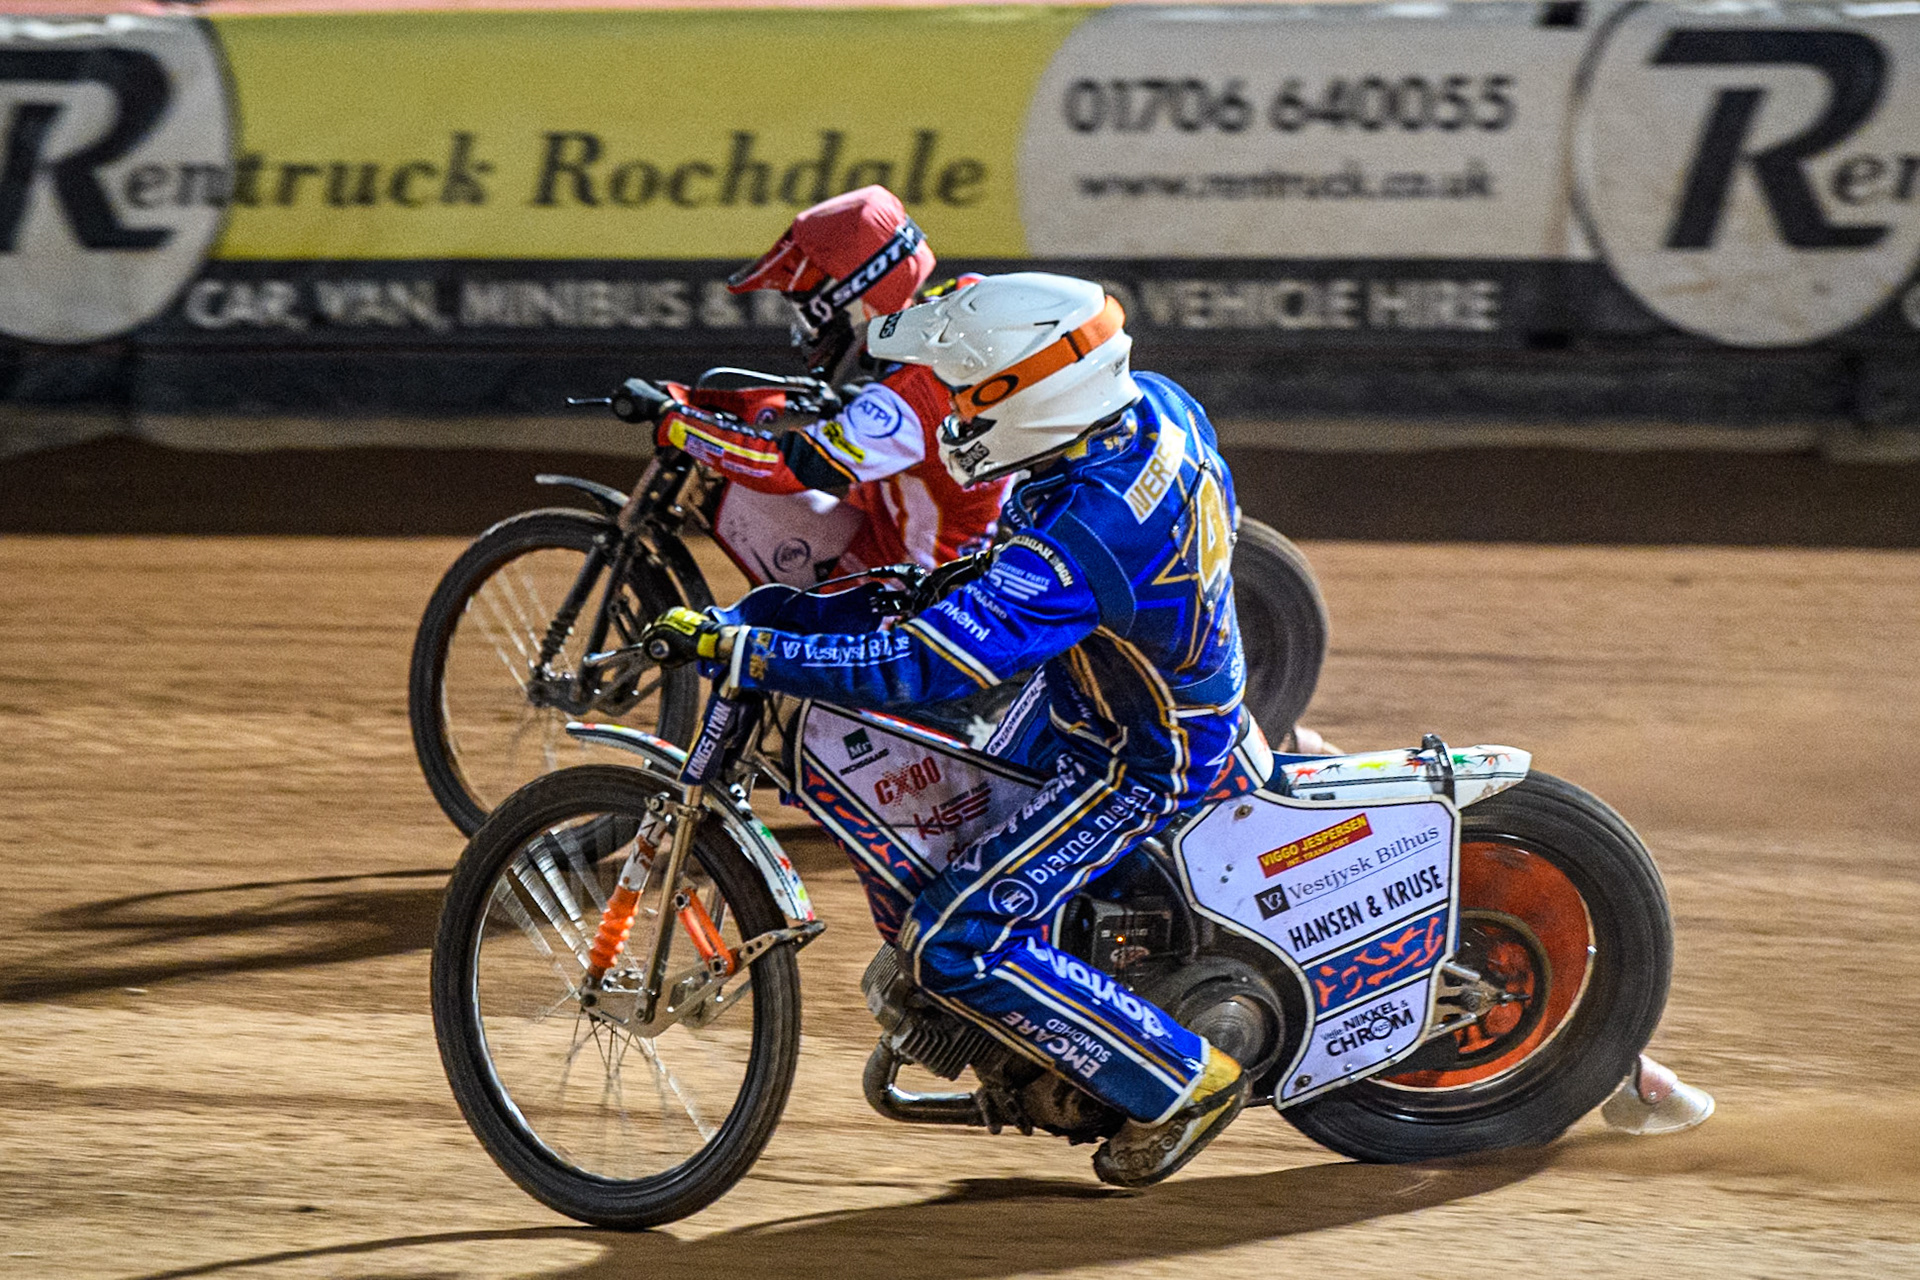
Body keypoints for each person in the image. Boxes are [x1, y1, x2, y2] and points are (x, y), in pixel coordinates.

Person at [645, 272, 1256, 1186]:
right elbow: (973, 591)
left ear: (1037, 389)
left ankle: (1181, 1081)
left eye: (970, 394)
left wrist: (756, 656)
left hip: (1139, 756)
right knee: (933, 829)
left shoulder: (1085, 537)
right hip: (1094, 690)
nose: (953, 414)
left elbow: (921, 667)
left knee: (953, 940)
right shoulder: (1151, 408)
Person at [632, 185, 1008, 587]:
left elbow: (779, 466)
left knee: (741, 640)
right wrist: (856, 402)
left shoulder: (906, 398)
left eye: (809, 306)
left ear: (853, 294)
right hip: (945, 552)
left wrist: (676, 422)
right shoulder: (960, 305)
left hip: (901, 596)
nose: (808, 326)